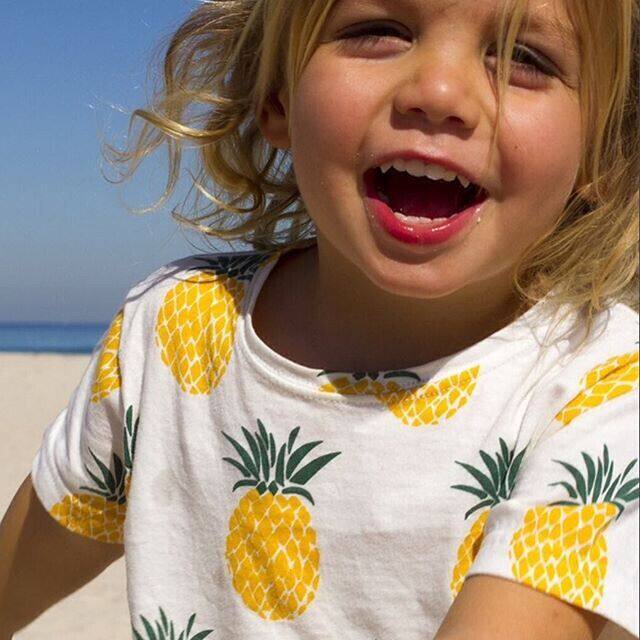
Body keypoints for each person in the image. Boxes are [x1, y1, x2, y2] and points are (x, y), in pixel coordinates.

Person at [1, 0, 638, 638]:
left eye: (526, 58)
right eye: (378, 31)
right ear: (276, 97)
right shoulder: (176, 328)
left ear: (601, 153)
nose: (440, 93)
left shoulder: (606, 391)